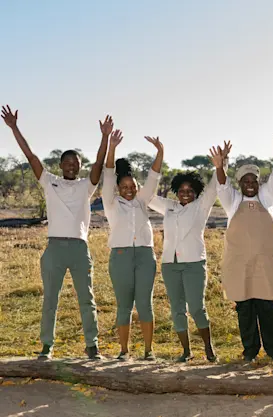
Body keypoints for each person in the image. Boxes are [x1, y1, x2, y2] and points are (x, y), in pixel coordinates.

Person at [2, 105, 110, 360]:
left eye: (76, 163)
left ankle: (92, 346)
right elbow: (30, 156)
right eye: (68, 162)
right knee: (50, 299)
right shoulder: (49, 182)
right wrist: (14, 127)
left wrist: (104, 137)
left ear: (80, 166)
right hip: (54, 249)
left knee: (87, 298)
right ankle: (47, 347)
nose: (72, 166)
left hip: (78, 248)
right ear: (61, 164)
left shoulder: (86, 186)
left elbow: (100, 164)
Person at [149, 142, 226, 362]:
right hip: (170, 265)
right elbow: (147, 195)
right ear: (176, 191)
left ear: (195, 192)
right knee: (177, 310)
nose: (185, 194)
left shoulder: (201, 206)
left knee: (197, 307)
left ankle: (209, 349)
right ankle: (186, 351)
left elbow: (213, 186)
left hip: (194, 264)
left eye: (189, 191)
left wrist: (222, 164)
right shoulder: (169, 207)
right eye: (181, 191)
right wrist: (159, 156)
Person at [215, 136, 273, 362]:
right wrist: (219, 166)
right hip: (240, 265)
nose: (249, 185)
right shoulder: (233, 202)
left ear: (258, 182)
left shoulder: (267, 198)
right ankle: (250, 351)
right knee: (245, 309)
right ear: (240, 184)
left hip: (266, 265)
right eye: (245, 181)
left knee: (268, 309)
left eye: (253, 181)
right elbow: (222, 186)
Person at [102, 131, 164, 361]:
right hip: (120, 257)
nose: (129, 189)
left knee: (145, 303)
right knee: (124, 305)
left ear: (137, 187)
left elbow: (154, 176)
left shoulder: (142, 201)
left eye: (133, 185)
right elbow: (108, 175)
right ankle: (124, 351)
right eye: (124, 186)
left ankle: (148, 351)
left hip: (145, 256)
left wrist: (160, 151)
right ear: (119, 187)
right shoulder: (111, 202)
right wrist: (112, 148)